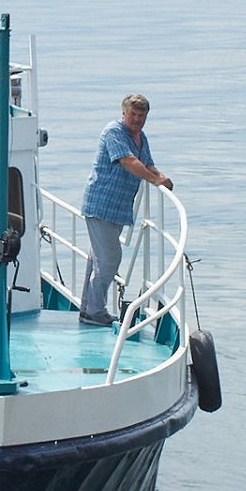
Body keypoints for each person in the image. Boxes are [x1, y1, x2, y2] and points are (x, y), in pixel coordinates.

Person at [78, 93, 173, 327]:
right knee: (110, 258)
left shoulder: (140, 137)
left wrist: (162, 178)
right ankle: (94, 311)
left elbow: (147, 163)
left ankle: (88, 309)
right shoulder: (114, 132)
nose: (137, 119)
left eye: (142, 116)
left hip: (117, 209)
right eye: (133, 114)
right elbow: (129, 162)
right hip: (101, 204)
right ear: (123, 113)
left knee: (99, 260)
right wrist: (154, 180)